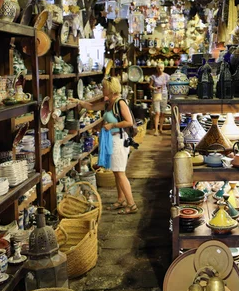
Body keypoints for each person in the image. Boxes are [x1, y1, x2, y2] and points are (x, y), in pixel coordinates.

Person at [72, 77, 138, 214]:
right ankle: (121, 199)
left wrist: (113, 125)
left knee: (120, 173)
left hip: (119, 141)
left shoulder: (120, 102)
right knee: (116, 171)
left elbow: (129, 122)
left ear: (111, 88)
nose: (102, 89)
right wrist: (78, 101)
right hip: (112, 140)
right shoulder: (109, 103)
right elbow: (91, 107)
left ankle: (131, 205)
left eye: (104, 87)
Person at [149, 64, 170, 136]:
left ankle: (161, 128)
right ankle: (156, 130)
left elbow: (168, 86)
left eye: (161, 68)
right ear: (156, 68)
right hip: (156, 94)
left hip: (164, 94)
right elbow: (150, 86)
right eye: (158, 68)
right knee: (157, 112)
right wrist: (154, 88)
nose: (160, 69)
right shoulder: (153, 76)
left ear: (163, 68)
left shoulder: (167, 76)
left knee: (163, 112)